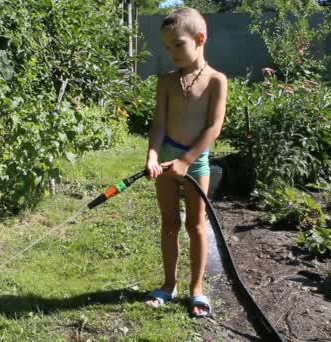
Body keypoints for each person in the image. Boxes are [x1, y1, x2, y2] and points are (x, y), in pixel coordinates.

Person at [144, 7, 227, 318]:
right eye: (167, 47)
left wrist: (186, 160)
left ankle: (197, 290)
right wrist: (153, 154)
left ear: (200, 38)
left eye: (178, 44)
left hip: (196, 162)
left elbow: (213, 127)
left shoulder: (217, 81)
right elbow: (159, 125)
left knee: (195, 225)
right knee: (169, 224)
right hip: (166, 161)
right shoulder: (165, 82)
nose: (172, 53)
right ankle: (168, 285)